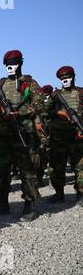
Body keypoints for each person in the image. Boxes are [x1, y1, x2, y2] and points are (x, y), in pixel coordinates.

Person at [0, 50, 43, 221]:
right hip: (4, 134)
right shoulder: (0, 85)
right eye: (7, 65)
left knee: (27, 170)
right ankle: (3, 203)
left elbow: (39, 105)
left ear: (20, 63)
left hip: (23, 133)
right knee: (1, 170)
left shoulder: (30, 83)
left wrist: (19, 112)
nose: (10, 67)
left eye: (13, 63)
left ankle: (29, 205)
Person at [46, 66, 82, 206]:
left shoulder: (80, 93)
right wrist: (57, 113)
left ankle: (81, 193)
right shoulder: (55, 96)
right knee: (57, 167)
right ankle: (59, 194)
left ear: (73, 76)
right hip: (59, 137)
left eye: (67, 77)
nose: (65, 80)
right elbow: (44, 112)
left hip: (76, 137)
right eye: (62, 78)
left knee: (80, 167)